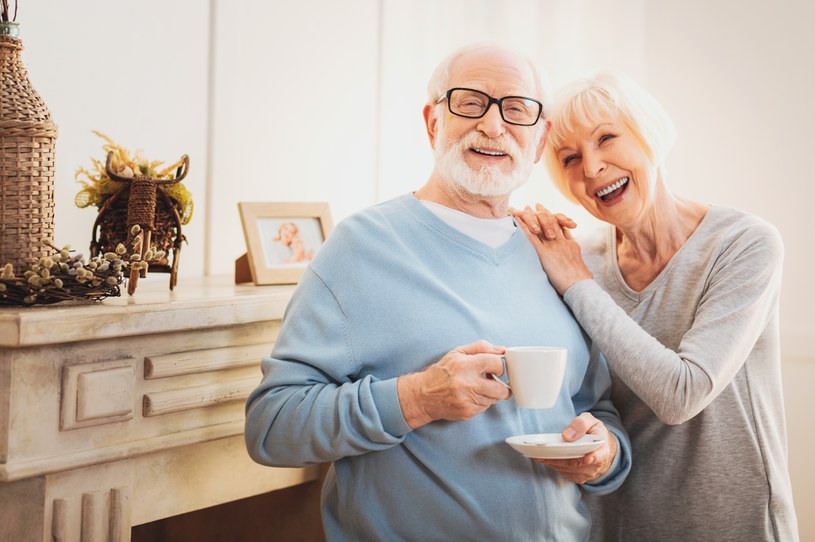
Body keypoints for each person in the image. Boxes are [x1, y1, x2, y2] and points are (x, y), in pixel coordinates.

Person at [245, 43, 632, 541]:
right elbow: (271, 427)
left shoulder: (555, 254)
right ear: (433, 122)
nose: (493, 126)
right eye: (470, 103)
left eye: (516, 110)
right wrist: (417, 398)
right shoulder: (361, 248)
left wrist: (604, 455)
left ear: (540, 141)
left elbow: (596, 410)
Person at [513, 70, 799, 541]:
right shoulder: (578, 260)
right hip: (622, 528)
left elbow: (681, 394)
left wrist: (577, 285)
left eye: (606, 138)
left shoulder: (743, 244)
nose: (591, 167)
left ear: (649, 135)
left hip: (735, 527)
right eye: (569, 158)